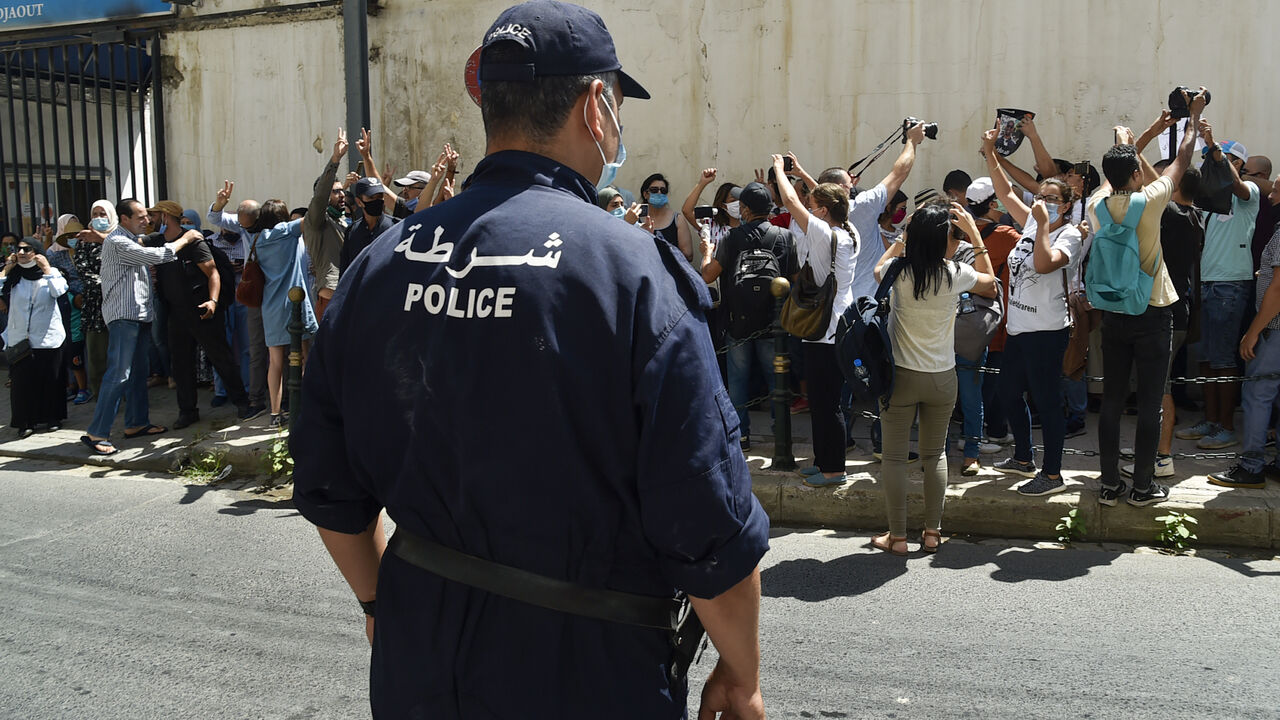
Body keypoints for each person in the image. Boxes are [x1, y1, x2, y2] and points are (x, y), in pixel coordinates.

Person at [291, 3, 767, 718]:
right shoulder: (635, 274)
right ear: (595, 106)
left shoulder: (384, 262)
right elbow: (705, 522)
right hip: (586, 669)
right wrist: (741, 672)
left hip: (418, 653)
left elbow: (329, 484)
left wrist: (380, 602)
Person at [1089, 99, 1203, 508]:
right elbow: (1183, 160)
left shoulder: (1096, 205)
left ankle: (1107, 485)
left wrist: (1128, 142)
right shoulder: (1151, 199)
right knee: (1151, 404)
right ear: (1138, 171)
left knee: (1112, 402)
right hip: (1153, 312)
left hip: (1114, 313)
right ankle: (1141, 486)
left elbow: (1114, 176)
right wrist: (1191, 118)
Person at [870, 201, 997, 554]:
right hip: (942, 377)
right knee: (935, 454)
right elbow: (990, 284)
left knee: (894, 457)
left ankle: (896, 537)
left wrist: (902, 236)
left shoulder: (898, 270)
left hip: (901, 377)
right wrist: (974, 234)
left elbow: (879, 266)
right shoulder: (956, 273)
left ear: (915, 237)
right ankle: (932, 533)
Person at [982, 128, 1083, 496]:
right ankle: (1023, 457)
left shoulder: (1069, 235)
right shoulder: (1030, 222)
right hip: (1019, 328)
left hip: (1047, 330)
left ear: (1067, 205)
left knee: (1046, 401)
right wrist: (990, 151)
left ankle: (1053, 475)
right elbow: (1006, 190)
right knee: (1008, 394)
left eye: (1052, 198)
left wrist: (1042, 224)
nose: (1043, 202)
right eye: (1040, 196)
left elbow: (1044, 265)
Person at [80, 200, 202, 456]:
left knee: (138, 373)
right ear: (124, 219)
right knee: (119, 373)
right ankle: (97, 432)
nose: (146, 220)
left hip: (140, 314)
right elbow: (158, 256)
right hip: (124, 316)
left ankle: (136, 424)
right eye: (140, 217)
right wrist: (187, 238)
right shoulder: (118, 241)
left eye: (147, 216)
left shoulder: (131, 239)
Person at [772, 153, 858, 486]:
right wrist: (807, 175)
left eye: (814, 204)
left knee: (826, 403)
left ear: (822, 211)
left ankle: (834, 469)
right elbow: (821, 198)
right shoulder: (848, 231)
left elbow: (791, 201)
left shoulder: (823, 233)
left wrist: (780, 170)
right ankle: (824, 462)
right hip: (838, 323)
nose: (808, 206)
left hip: (824, 331)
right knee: (824, 402)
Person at [1176, 128, 1261, 450]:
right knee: (1207, 358)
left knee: (1223, 359)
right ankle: (1210, 421)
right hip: (1207, 284)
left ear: (1237, 163)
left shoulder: (1246, 193)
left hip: (1230, 285)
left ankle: (1226, 426)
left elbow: (1238, 186)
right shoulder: (1207, 202)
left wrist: (1213, 147)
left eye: (1219, 162)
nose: (1211, 168)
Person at [698, 180, 796, 449]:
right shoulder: (785, 237)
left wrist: (706, 253)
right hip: (773, 323)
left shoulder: (731, 238)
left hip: (737, 321)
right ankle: (781, 433)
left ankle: (741, 435)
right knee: (776, 379)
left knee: (738, 381)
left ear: (744, 209)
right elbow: (796, 279)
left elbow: (708, 275)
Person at [144, 201, 256, 428]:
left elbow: (213, 273)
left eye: (153, 215)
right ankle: (187, 411)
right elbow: (130, 243)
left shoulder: (193, 241)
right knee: (181, 364)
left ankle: (242, 402)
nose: (149, 220)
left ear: (166, 217)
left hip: (202, 310)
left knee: (221, 358)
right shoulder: (157, 241)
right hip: (176, 314)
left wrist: (213, 301)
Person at [1131, 160, 1204, 482]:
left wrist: (1136, 148)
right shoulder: (1190, 217)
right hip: (1170, 312)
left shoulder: (1177, 216)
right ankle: (1150, 450)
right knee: (1156, 386)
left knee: (1160, 389)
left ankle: (1161, 457)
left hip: (1168, 314)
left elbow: (1158, 182)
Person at [1210, 176, 1280, 488]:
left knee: (1257, 395)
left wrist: (1253, 331)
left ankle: (1251, 466)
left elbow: (1278, 291)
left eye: (1277, 189)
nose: (1272, 195)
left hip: (1274, 330)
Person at [247, 199, 318, 428]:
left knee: (275, 362)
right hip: (294, 303)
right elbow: (313, 216)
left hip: (270, 306)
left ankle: (275, 413)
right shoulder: (286, 231)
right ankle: (304, 407)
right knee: (306, 355)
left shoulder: (258, 239)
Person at [965, 177, 1021, 454]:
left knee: (976, 374)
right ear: (991, 204)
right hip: (996, 316)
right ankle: (983, 433)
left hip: (965, 318)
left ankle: (990, 430)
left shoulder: (960, 232)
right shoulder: (1006, 235)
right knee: (993, 375)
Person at [207, 185, 270, 417]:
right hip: (228, 295)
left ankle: (249, 390)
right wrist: (220, 203)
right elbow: (214, 217)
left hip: (253, 294)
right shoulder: (234, 230)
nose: (239, 227)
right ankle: (222, 390)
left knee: (250, 347)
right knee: (224, 342)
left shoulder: (268, 231)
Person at [1, 240, 68, 437]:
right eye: (19, 249)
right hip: (21, 340)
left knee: (50, 379)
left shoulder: (50, 274)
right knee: (22, 383)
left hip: (47, 338)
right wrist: (7, 269)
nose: (21, 252)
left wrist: (47, 268)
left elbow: (59, 290)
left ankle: (52, 418)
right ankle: (25, 422)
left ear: (37, 252)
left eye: (27, 249)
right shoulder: (14, 276)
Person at [303, 131, 352, 321]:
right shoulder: (316, 219)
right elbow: (321, 195)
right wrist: (335, 159)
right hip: (331, 296)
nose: (342, 195)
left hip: (347, 292)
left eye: (342, 191)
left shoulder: (342, 220)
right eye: (335, 192)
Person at [340, 177, 396, 275]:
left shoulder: (395, 228)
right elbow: (345, 271)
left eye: (379, 196)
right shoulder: (352, 232)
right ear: (359, 202)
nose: (377, 201)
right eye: (371, 197)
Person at [639, 172, 693, 260]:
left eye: (663, 190)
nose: (659, 193)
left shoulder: (677, 219)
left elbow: (688, 255)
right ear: (645, 194)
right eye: (654, 190)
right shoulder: (635, 219)